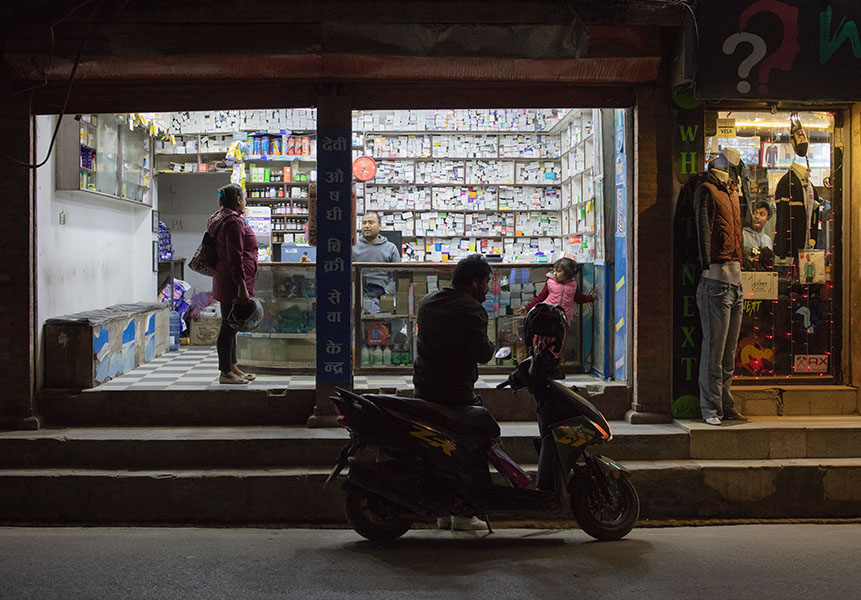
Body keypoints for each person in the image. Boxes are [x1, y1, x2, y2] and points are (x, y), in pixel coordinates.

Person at [412, 254, 494, 532]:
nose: (487, 290)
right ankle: (464, 512)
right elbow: (482, 354)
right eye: (486, 283)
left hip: (423, 390)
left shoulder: (428, 302)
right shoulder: (472, 310)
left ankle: (443, 510)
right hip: (456, 395)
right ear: (474, 283)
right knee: (481, 440)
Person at [694, 153, 747, 425]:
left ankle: (725, 403)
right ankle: (711, 408)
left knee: (728, 352)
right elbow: (702, 231)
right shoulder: (707, 190)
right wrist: (705, 263)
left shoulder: (734, 191)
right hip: (715, 280)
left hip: (734, 283)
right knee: (714, 351)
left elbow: (739, 230)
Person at [208, 183, 258, 385]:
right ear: (238, 200)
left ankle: (233, 367)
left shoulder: (221, 218)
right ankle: (225, 372)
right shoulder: (233, 222)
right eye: (243, 198)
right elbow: (235, 257)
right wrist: (242, 286)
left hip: (228, 280)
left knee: (232, 325)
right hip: (233, 283)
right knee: (228, 327)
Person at [352, 211, 401, 299]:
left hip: (384, 296)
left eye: (371, 222)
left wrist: (385, 293)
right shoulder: (353, 247)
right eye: (364, 223)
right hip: (357, 295)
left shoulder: (390, 248)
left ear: (380, 226)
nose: (366, 226)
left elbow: (397, 277)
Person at [742, 200, 774, 271]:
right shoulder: (742, 235)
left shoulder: (767, 240)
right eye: (754, 213)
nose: (756, 216)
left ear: (767, 219)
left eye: (761, 214)